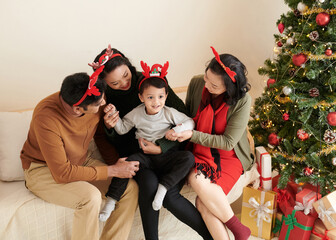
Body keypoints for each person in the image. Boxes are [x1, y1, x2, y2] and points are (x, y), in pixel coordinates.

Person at [92, 44, 213, 240]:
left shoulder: (150, 82)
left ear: (129, 67)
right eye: (114, 83)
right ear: (106, 84)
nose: (123, 83)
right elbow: (117, 136)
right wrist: (109, 127)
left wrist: (161, 147)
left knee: (170, 198)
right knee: (148, 184)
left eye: (125, 75)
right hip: (140, 158)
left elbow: (184, 122)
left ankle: (211, 236)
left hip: (169, 152)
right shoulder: (104, 99)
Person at [20, 66, 140, 240]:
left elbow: (99, 136)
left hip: (81, 161)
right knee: (90, 198)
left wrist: (117, 166)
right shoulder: (46, 118)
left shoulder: (93, 99)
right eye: (99, 104)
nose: (104, 104)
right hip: (42, 170)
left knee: (128, 189)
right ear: (77, 109)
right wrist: (112, 171)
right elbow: (62, 172)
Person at [172, 46, 253, 240]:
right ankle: (239, 230)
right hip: (198, 150)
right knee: (196, 180)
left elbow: (228, 143)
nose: (207, 85)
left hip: (228, 156)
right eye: (207, 78)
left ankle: (239, 230)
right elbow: (187, 116)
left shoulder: (242, 100)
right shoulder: (197, 83)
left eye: (214, 86)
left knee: (203, 203)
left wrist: (192, 135)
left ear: (230, 88)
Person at [99, 60, 195, 221]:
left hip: (166, 154)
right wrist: (112, 120)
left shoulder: (168, 110)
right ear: (141, 97)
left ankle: (163, 189)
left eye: (160, 97)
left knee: (188, 158)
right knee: (127, 163)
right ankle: (111, 201)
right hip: (144, 157)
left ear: (166, 96)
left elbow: (190, 122)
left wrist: (174, 131)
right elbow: (122, 129)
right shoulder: (135, 113)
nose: (156, 102)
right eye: (150, 97)